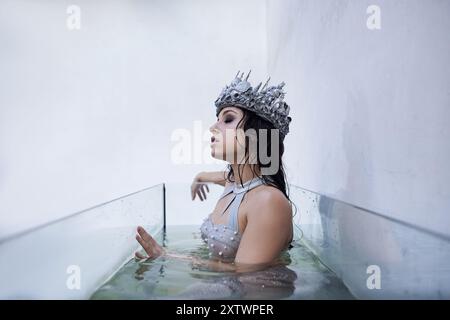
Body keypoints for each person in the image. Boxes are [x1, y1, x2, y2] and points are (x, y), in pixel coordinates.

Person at [135, 70, 295, 273]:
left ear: (257, 136)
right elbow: (219, 177)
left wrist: (167, 257)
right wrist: (200, 177)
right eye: (217, 119)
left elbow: (246, 277)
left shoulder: (268, 202)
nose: (213, 127)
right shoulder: (234, 183)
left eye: (228, 119)